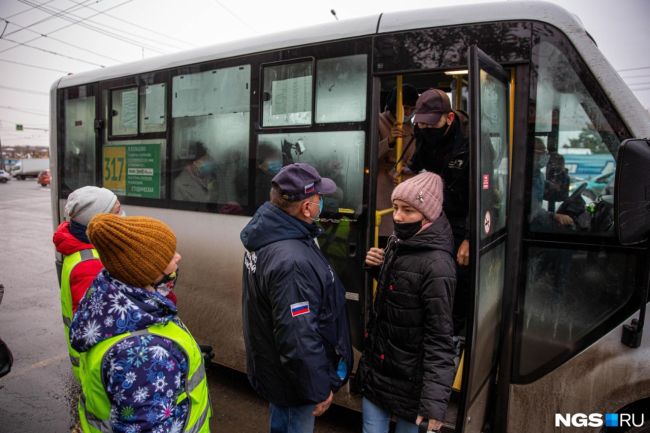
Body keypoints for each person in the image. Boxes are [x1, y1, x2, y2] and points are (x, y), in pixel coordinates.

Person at [69, 214, 211, 433]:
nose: (178, 257)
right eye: (168, 255)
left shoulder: (115, 299)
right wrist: (164, 357)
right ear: (144, 270)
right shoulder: (144, 354)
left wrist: (180, 359)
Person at [240, 162, 353, 433]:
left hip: (282, 375)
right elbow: (297, 336)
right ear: (306, 208)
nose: (322, 204)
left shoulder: (274, 236)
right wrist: (316, 388)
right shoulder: (291, 259)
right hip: (294, 385)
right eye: (319, 199)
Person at [357, 171, 456, 433]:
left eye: (408, 210)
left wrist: (434, 404)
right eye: (396, 208)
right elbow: (401, 297)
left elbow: (440, 339)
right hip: (379, 371)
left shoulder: (438, 265)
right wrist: (377, 268)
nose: (398, 217)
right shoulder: (399, 242)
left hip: (411, 385)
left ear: (428, 215)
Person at [406, 88, 470, 336]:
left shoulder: (471, 140)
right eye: (421, 124)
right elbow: (420, 156)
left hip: (463, 214)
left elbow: (482, 192)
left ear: (450, 118)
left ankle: (453, 335)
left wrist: (469, 237)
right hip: (434, 213)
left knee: (458, 279)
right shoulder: (422, 130)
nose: (426, 129)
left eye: (432, 125)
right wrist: (409, 171)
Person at [53, 186, 131, 381]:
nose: (123, 215)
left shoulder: (90, 250)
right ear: (99, 221)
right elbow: (102, 324)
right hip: (100, 369)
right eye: (116, 211)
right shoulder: (90, 266)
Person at [377, 84, 419, 241]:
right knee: (384, 235)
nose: (408, 113)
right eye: (405, 108)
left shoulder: (414, 129)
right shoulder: (378, 121)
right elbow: (367, 155)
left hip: (406, 184)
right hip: (383, 187)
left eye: (411, 109)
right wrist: (389, 141)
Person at [255, 142, 283, 208]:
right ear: (261, 163)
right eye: (272, 159)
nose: (277, 161)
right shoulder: (258, 180)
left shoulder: (275, 176)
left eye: (277, 158)